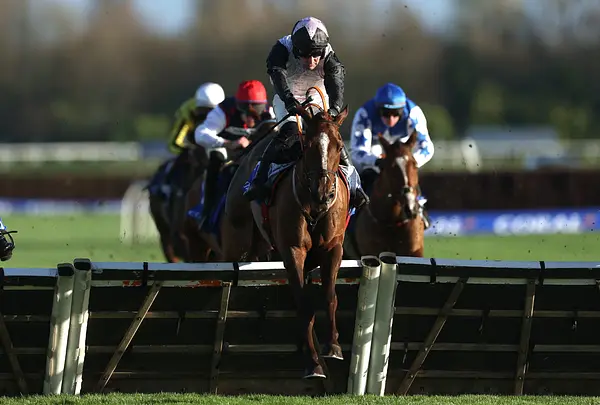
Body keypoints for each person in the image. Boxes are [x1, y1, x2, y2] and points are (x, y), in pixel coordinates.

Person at [242, 16, 369, 211]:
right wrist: (289, 101)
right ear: (296, 49)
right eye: (306, 55)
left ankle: (355, 186)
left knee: (330, 135)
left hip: (316, 96)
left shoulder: (329, 55)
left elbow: (336, 84)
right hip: (287, 97)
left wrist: (334, 110)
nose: (311, 61)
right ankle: (258, 180)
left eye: (316, 55)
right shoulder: (281, 49)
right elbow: (277, 75)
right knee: (289, 131)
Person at [187, 79, 276, 227]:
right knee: (215, 159)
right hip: (226, 151)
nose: (250, 117)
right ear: (238, 105)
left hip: (253, 154)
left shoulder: (270, 113)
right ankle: (207, 210)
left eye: (256, 110)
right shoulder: (223, 111)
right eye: (245, 110)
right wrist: (228, 143)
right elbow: (200, 134)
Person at [350, 82, 435, 229]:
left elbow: (427, 147)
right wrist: (378, 162)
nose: (390, 119)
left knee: (407, 177)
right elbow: (357, 151)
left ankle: (420, 208)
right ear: (378, 110)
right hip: (374, 154)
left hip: (401, 154)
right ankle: (353, 217)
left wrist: (409, 163)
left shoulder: (413, 112)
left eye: (396, 114)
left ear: (402, 110)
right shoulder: (365, 114)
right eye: (385, 113)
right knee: (365, 178)